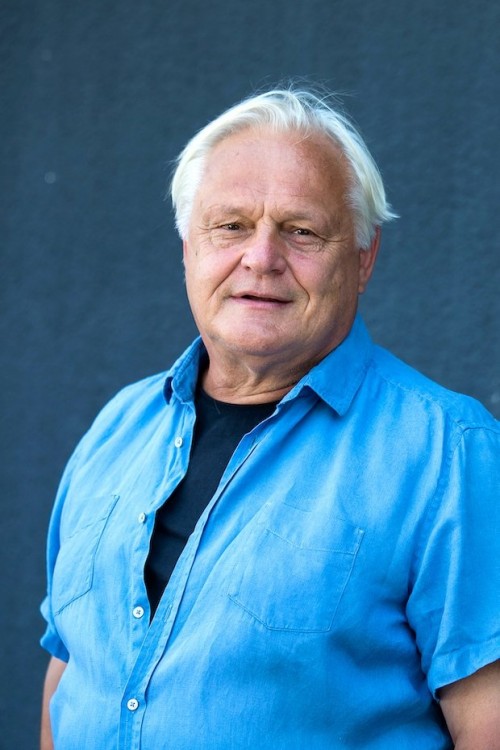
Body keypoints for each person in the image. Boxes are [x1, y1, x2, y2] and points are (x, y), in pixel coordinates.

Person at [40, 86, 500, 749]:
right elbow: (71, 674)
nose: (260, 258)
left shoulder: (449, 455)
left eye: (301, 230)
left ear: (363, 258)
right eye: (230, 226)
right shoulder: (118, 430)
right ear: (188, 248)